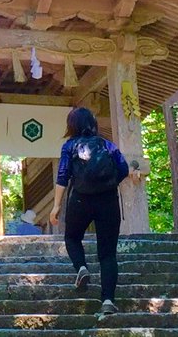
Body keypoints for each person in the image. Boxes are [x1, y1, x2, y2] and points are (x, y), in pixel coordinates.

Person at [50, 106, 129, 318]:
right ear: (93, 124)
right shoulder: (107, 145)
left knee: (72, 238)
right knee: (108, 253)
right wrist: (108, 184)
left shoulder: (69, 146)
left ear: (71, 125)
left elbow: (63, 176)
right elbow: (124, 169)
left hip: (80, 200)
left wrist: (56, 206)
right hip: (108, 201)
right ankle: (108, 300)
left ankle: (82, 268)